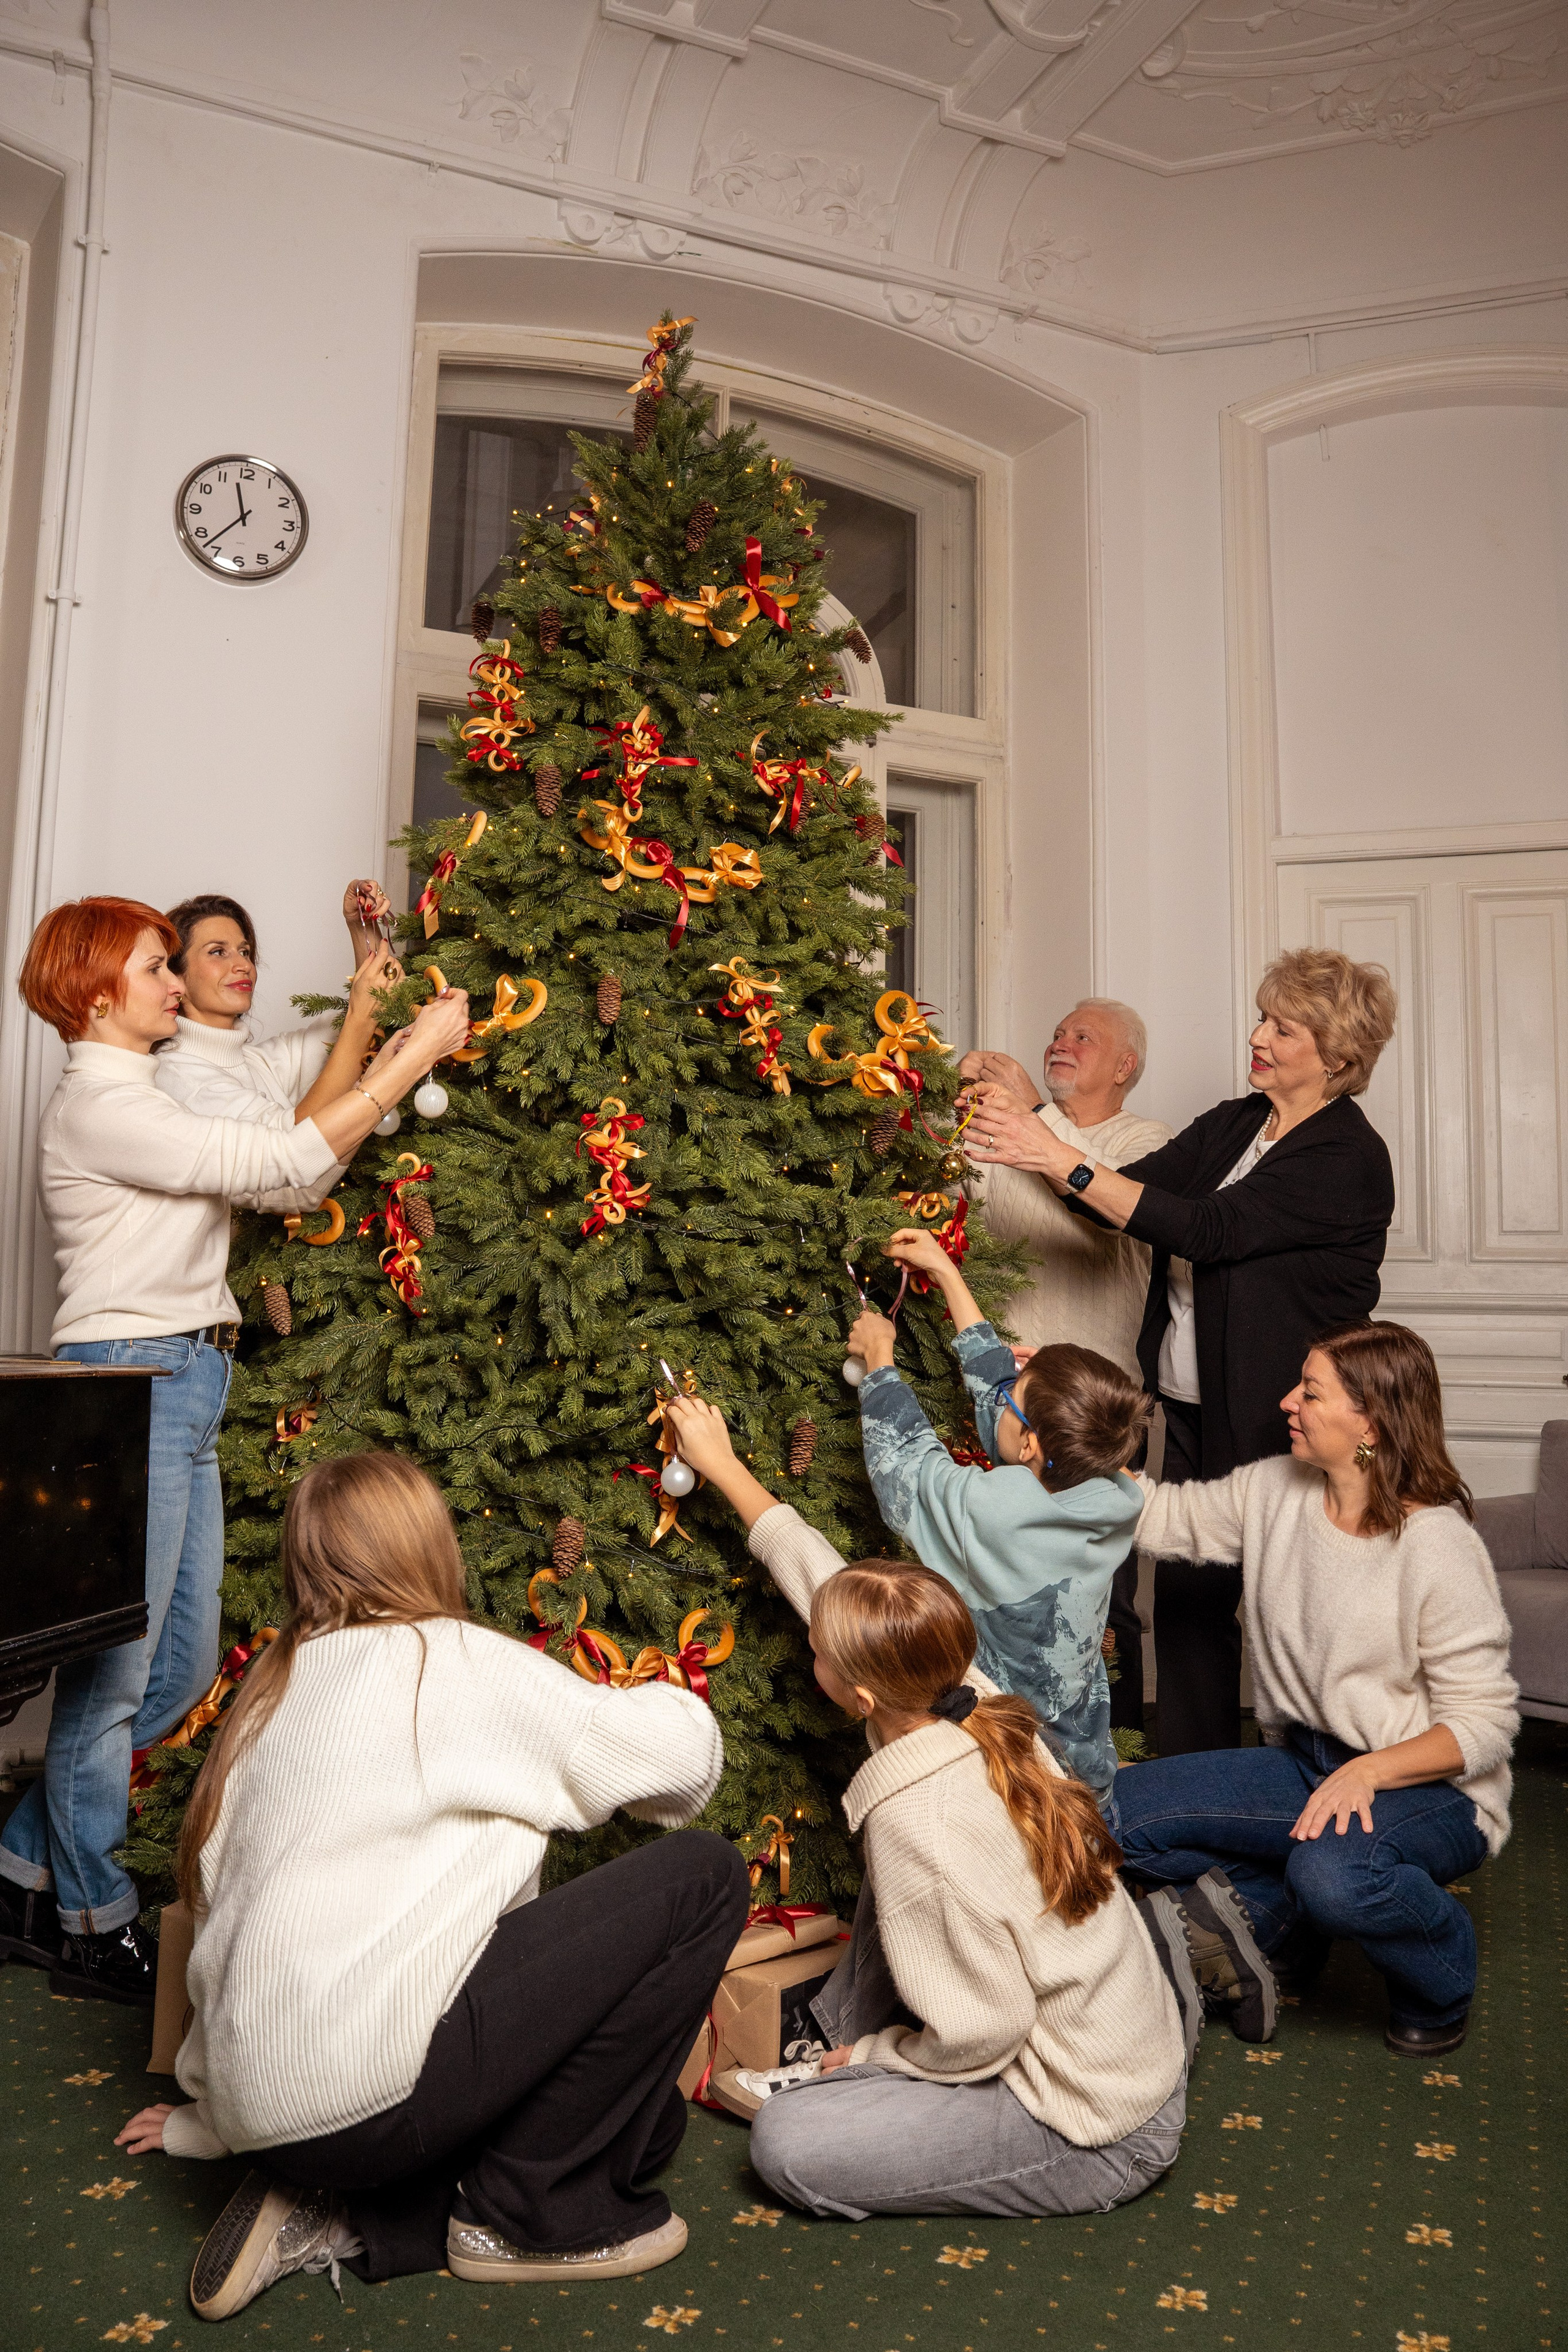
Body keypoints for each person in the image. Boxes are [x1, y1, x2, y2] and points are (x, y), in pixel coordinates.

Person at [113, 1452, 742, 2319]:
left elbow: (228, 1929)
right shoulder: (449, 1659)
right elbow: (683, 1763)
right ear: (425, 1546)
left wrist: (214, 2117)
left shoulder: (265, 1701)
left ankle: (340, 2210)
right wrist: (650, 1689)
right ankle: (522, 2220)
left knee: (646, 2122)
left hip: (272, 2118)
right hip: (369, 2103)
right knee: (703, 1875)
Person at [0, 898, 468, 2003]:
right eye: (158, 969)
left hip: (189, 1373)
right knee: (115, 1678)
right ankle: (88, 1919)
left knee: (178, 1665)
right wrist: (404, 1062)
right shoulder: (103, 1107)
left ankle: (18, 1864)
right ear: (98, 993)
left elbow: (291, 1178)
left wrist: (380, 1044)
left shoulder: (143, 1095)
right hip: (133, 1375)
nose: (176, 983)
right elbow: (281, 1150)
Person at [662, 1391, 1193, 2223]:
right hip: (1122, 2040)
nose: (813, 1649)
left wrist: (878, 2056)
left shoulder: (924, 1828)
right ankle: (841, 2052)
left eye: (817, 1654)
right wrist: (723, 1465)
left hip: (1093, 2121)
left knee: (789, 2144)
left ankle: (847, 2062)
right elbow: (827, 1583)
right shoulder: (965, 1696)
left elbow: (988, 2030)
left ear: (860, 1693)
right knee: (904, 1894)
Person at [965, 948, 1397, 1755]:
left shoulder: (1346, 1157)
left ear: (1338, 1057)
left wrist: (1051, 1150)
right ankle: (1191, 1790)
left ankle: (1323, 1795)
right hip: (1198, 1411)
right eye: (1263, 1016)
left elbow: (1204, 1229)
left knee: (1293, 1612)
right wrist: (1042, 1151)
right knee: (1192, 1604)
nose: (1259, 1035)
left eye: (1283, 1027)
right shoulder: (1240, 1124)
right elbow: (1127, 1199)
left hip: (1288, 1420)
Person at [1114, 1321, 1518, 2060]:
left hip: (1432, 1786)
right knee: (1111, 1816)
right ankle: (1278, 1913)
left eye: (1308, 1391)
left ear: (1369, 1418)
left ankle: (1439, 1978)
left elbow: (1486, 1726)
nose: (1285, 1403)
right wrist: (1055, 1405)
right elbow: (1159, 1517)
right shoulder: (1276, 1490)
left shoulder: (1436, 1544)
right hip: (1305, 1764)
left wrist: (1368, 1770)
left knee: (1333, 1872)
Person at [845, 1225, 1149, 1823]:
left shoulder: (993, 1510)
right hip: (1086, 1778)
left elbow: (906, 1467)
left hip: (1014, 1787)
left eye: (1019, 1394)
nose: (1003, 1395)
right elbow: (1000, 1401)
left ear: (1033, 1443)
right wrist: (946, 1273)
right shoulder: (1109, 1489)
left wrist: (879, 1359)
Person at [959, 1000, 1170, 1733]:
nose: (1060, 1043)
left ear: (1124, 1067)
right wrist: (944, 1093)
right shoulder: (1009, 1127)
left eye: (1084, 1037)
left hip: (1094, 1409)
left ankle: (1123, 1756)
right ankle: (1001, 1742)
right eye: (1055, 1033)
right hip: (997, 1400)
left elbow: (1096, 1204)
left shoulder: (1147, 1141)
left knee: (1102, 1595)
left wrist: (1025, 1112)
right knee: (991, 1582)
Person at [156, 883, 401, 1130]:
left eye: (245, 951)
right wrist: (361, 1019)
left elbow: (368, 1018)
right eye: (218, 952)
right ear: (176, 976)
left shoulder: (259, 1062)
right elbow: (296, 1152)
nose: (243, 964)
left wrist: (362, 923)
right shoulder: (182, 1079)